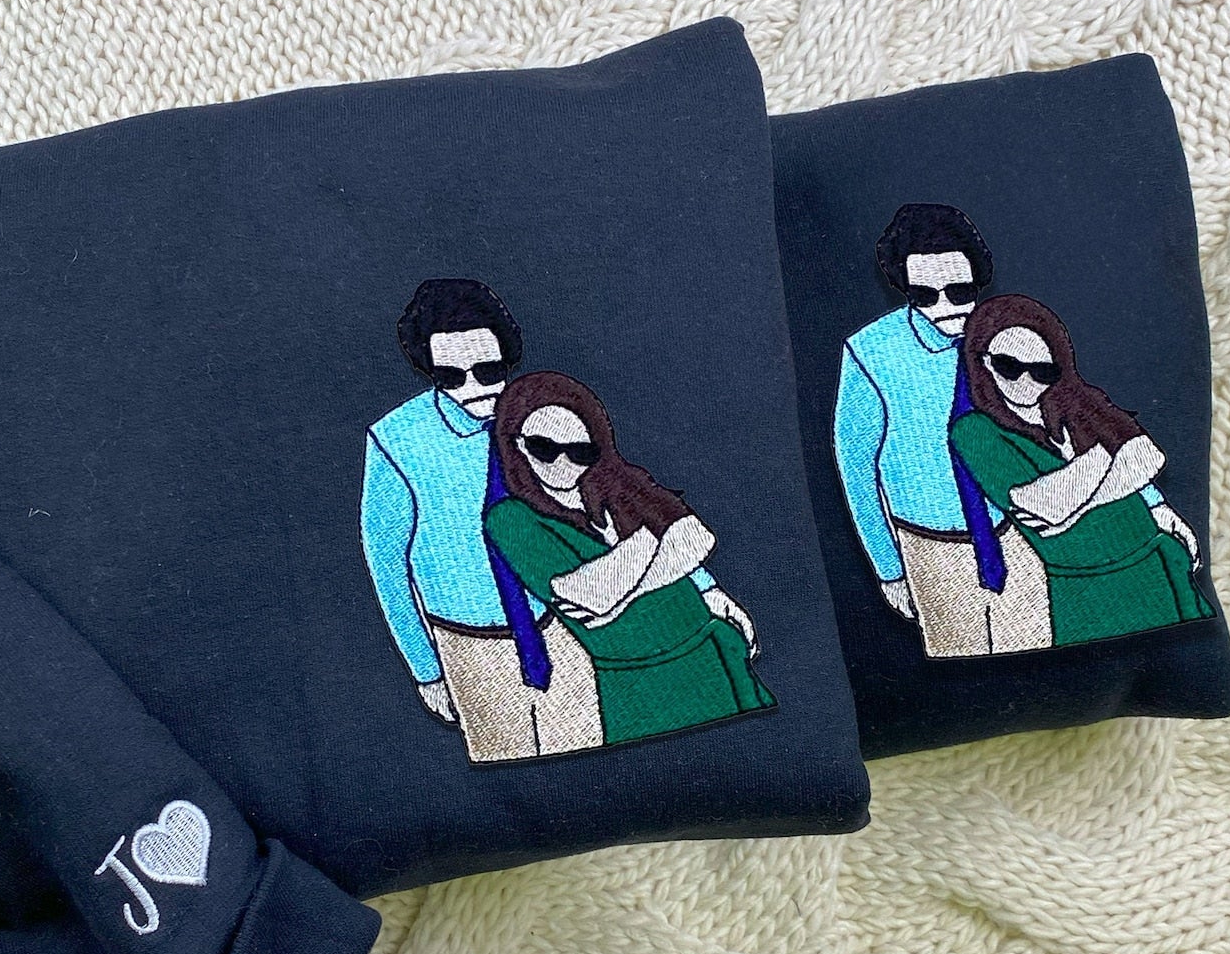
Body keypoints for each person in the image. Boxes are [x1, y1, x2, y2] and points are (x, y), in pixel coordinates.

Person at [359, 278, 606, 764]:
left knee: (593, 764)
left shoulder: (546, 414)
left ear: (507, 360)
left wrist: (702, 586)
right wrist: (428, 670)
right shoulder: (396, 440)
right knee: (511, 782)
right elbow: (387, 564)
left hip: (568, 628)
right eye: (451, 377)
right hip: (472, 649)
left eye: (488, 371)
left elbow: (611, 501)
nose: (472, 389)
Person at [483, 371, 774, 748]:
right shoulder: (510, 519)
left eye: (580, 452)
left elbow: (697, 538)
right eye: (544, 448)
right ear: (516, 444)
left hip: (710, 649)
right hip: (638, 683)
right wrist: (651, 536)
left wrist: (628, 593)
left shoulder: (615, 483)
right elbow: (588, 593)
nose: (562, 464)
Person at [833, 203, 1053, 657]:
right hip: (933, 551)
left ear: (978, 279)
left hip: (1023, 534)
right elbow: (856, 467)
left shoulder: (1011, 334)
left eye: (959, 291)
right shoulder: (871, 352)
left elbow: (1069, 418)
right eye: (925, 296)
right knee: (966, 675)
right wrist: (890, 569)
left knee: (1042, 660)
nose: (945, 308)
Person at [949, 294, 1212, 648]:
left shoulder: (1075, 401)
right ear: (982, 360)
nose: (1026, 382)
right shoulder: (974, 431)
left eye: (1042, 372)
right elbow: (1043, 504)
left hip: (1155, 560)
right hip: (1086, 589)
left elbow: (1149, 456)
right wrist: (1105, 454)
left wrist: (1082, 506)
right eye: (1009, 366)